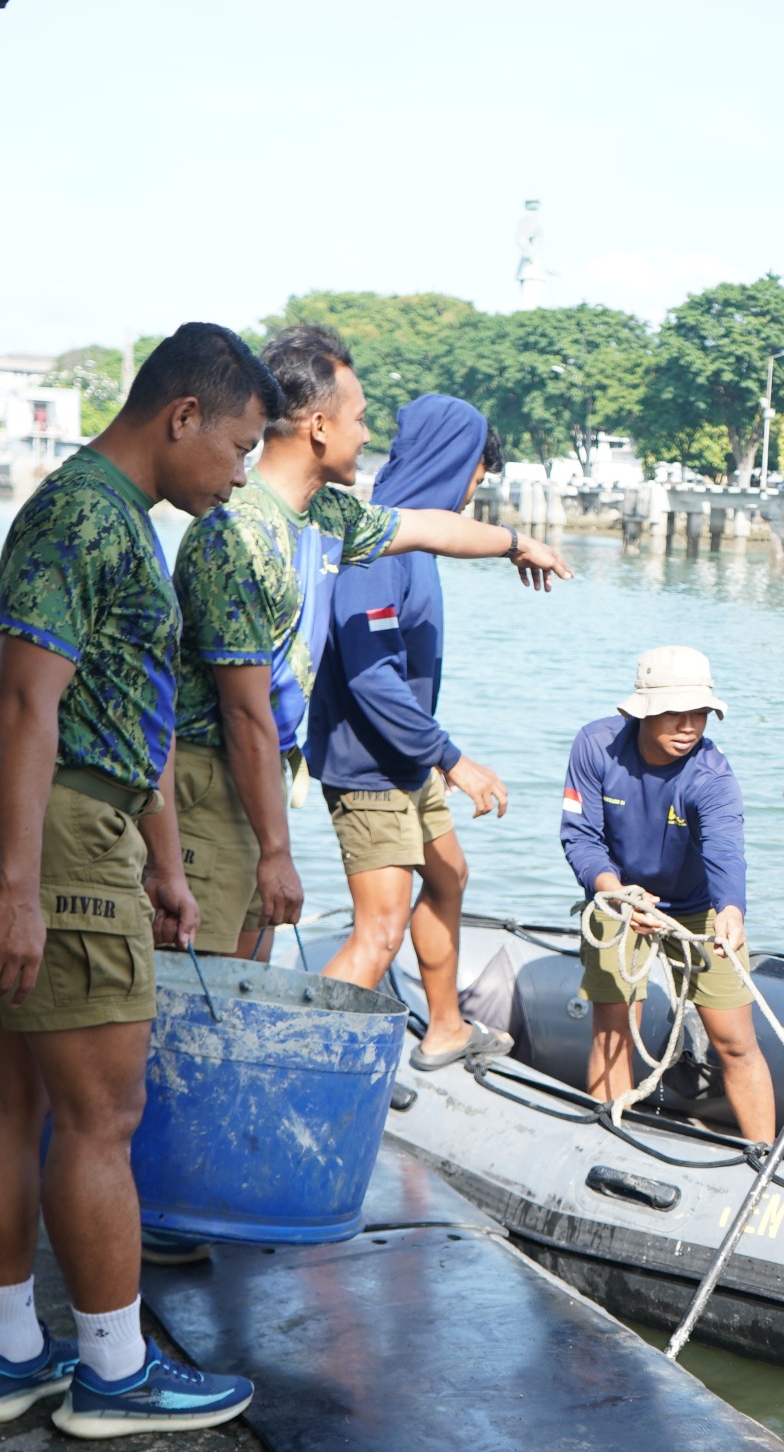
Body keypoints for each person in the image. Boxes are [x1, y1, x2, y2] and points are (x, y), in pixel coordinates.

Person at [0, 322, 279, 1439]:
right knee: (101, 1113)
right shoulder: (85, 513)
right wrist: (22, 885)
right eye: (236, 445)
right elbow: (26, 701)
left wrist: (169, 866)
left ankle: (10, 1356)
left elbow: (129, 708)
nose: (238, 473)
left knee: (18, 1092)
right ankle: (116, 1371)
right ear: (181, 416)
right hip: (55, 824)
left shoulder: (116, 520)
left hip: (71, 817)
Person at [283, 359, 568, 1068]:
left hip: (406, 759)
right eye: (477, 474)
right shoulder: (378, 550)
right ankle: (289, 1060)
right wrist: (453, 759)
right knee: (378, 933)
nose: (477, 489)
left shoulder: (416, 541)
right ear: (455, 464)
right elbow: (373, 678)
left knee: (449, 876)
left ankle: (446, 1027)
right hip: (367, 766)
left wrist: (430, 757)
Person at [559, 646, 774, 1145]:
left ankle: (765, 1160)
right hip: (618, 895)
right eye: (675, 713)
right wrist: (616, 895)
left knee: (736, 1041)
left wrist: (731, 911)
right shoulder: (595, 746)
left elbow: (726, 849)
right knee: (613, 1028)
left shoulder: (712, 775)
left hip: (699, 908)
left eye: (699, 712)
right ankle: (607, 1144)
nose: (689, 725)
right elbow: (580, 837)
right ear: (642, 711)